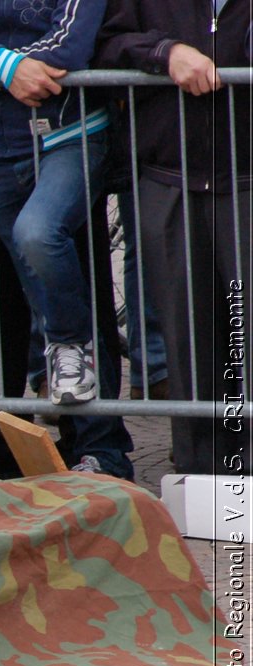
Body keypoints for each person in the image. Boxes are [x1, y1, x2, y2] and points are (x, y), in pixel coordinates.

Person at [0, 0, 133, 477]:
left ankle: (103, 449)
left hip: (70, 135)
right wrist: (4, 67)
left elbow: (71, 47)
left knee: (41, 242)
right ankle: (96, 445)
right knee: (51, 291)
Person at [98, 0, 251, 477]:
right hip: (169, 175)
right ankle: (205, 479)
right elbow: (106, 43)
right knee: (189, 342)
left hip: (247, 178)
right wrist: (166, 53)